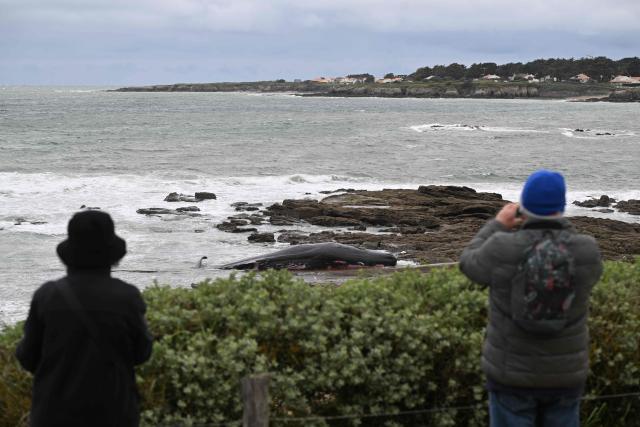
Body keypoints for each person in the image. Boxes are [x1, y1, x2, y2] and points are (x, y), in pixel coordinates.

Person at [459, 170, 603, 427]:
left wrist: (498, 224)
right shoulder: (585, 249)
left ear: (524, 205)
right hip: (565, 376)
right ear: (561, 206)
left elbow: (469, 263)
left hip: (511, 375)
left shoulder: (502, 246)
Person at [16, 210, 153, 427]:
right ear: (112, 255)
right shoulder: (127, 297)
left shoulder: (47, 296)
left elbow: (27, 356)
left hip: (53, 414)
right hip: (113, 413)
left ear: (70, 254)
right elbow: (142, 353)